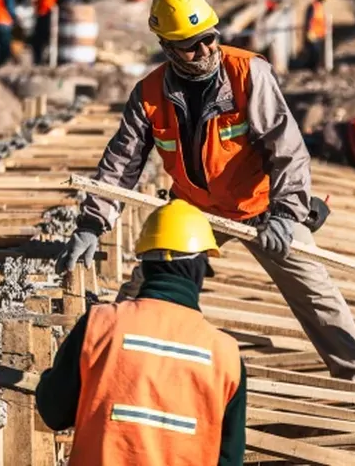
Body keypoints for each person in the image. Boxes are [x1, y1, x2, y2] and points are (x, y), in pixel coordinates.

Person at [56, 0, 355, 385]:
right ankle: (111, 369)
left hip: (262, 209)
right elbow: (121, 164)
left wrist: (286, 215)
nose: (206, 49)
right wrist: (92, 224)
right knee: (148, 290)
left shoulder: (248, 74)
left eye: (210, 38)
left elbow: (288, 149)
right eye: (191, 45)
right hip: (195, 211)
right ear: (167, 46)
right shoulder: (149, 94)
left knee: (317, 295)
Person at [37, 199, 246, 466]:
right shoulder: (226, 357)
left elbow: (54, 411)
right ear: (199, 271)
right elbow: (230, 459)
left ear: (145, 266)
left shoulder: (99, 325)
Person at [303, 0, 331, 71]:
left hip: (318, 34)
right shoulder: (313, 6)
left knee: (317, 53)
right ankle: (313, 69)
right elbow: (309, 19)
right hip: (313, 34)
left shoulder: (319, 6)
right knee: (314, 53)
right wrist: (309, 31)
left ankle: (314, 68)